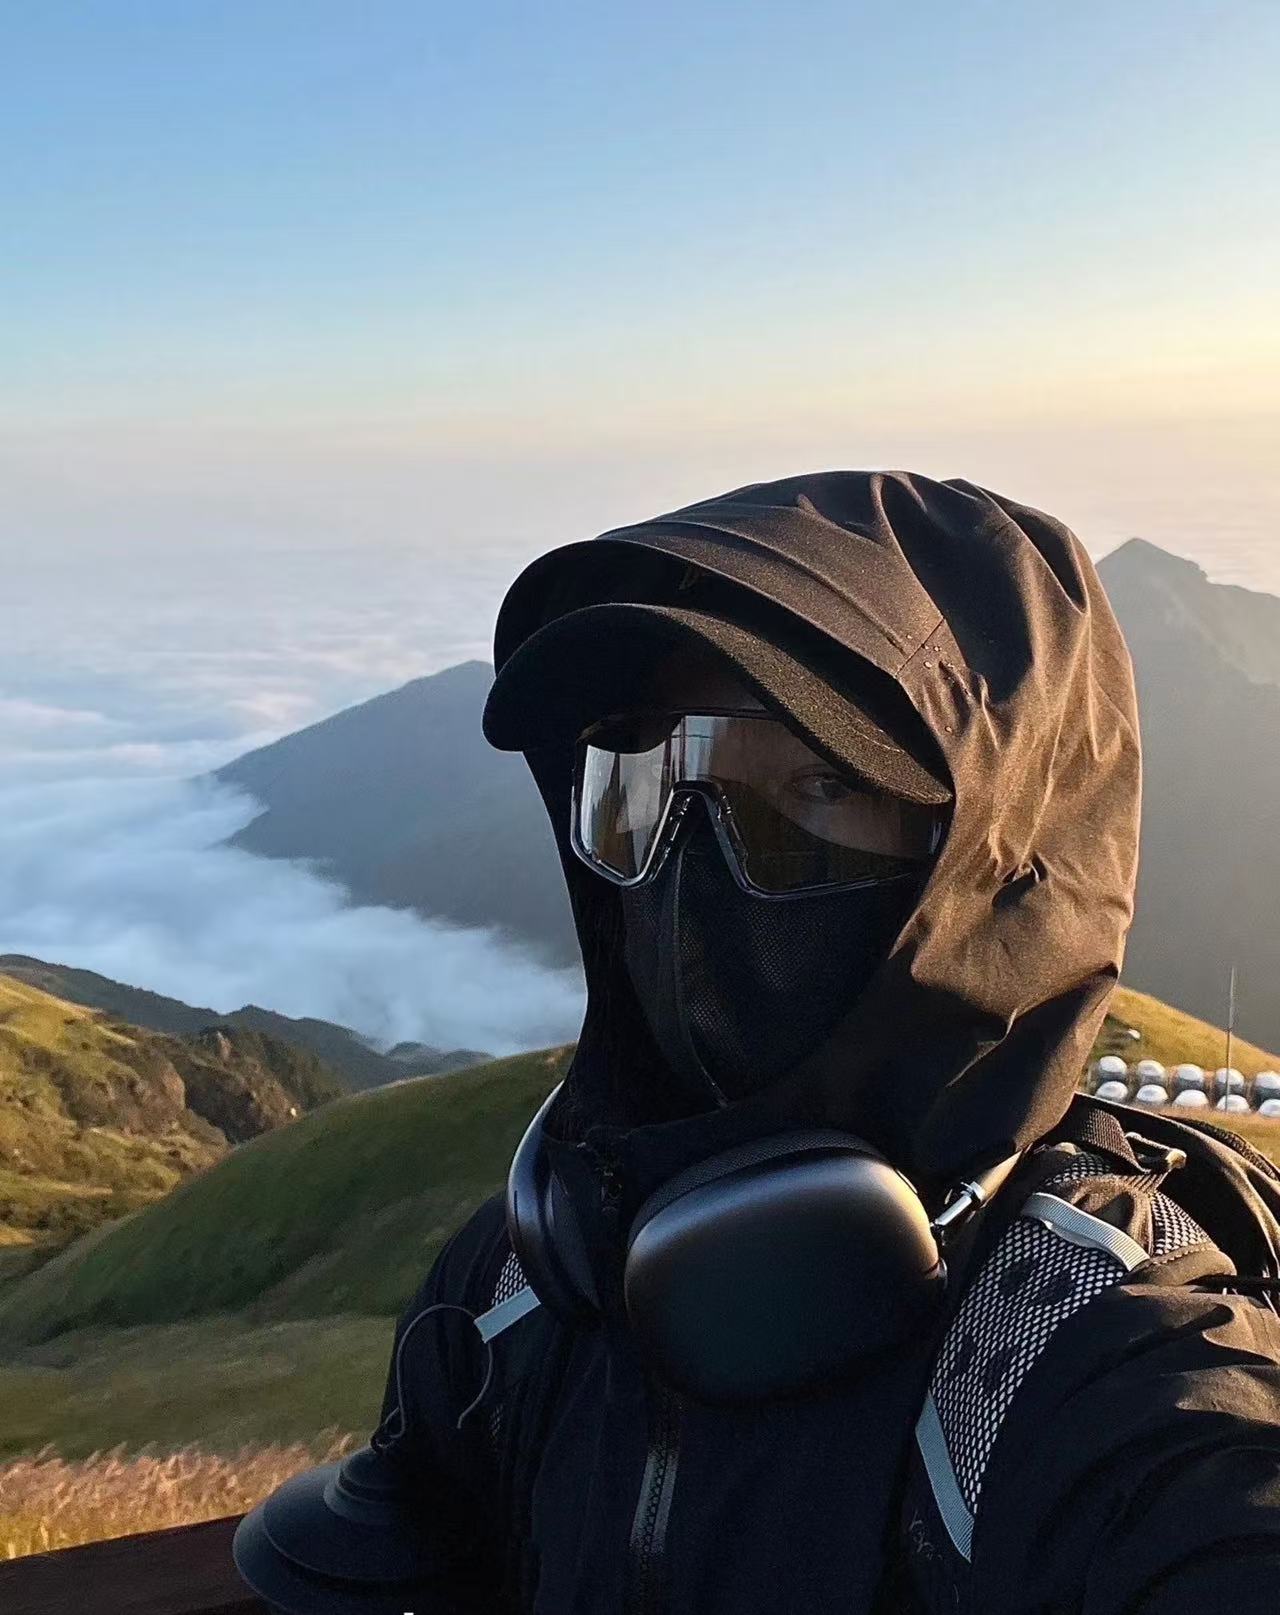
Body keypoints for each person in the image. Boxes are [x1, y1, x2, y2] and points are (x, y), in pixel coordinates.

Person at [234, 470, 1280, 1615]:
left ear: (993, 869)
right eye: (642, 776)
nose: (686, 866)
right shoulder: (508, 1290)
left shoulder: (1096, 1374)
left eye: (817, 785)